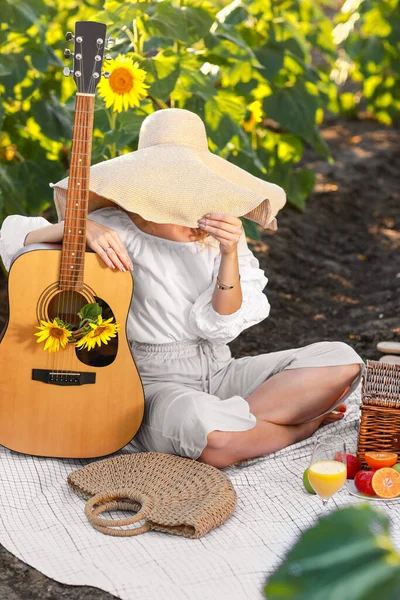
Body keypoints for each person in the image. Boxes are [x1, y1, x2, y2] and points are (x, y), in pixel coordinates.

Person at [0, 108, 365, 468]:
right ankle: (299, 426)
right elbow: (14, 238)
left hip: (222, 371)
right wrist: (75, 229)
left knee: (341, 360)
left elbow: (220, 323)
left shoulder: (217, 233)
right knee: (208, 432)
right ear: (147, 179)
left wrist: (228, 252)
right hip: (150, 384)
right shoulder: (113, 227)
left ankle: (239, 427)